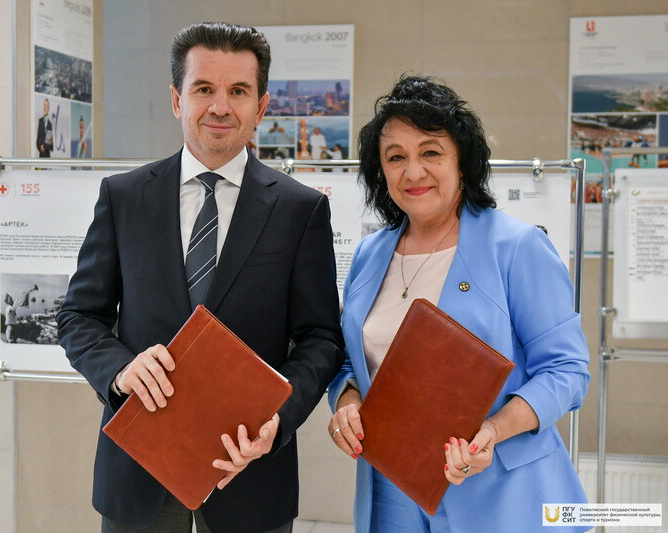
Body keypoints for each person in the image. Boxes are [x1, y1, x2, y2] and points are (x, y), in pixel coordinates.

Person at [57, 21, 344, 533]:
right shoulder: (124, 197)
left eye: (239, 91)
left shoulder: (299, 210)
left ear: (261, 106)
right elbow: (79, 316)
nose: (220, 107)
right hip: (139, 473)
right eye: (204, 89)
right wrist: (120, 370)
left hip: (250, 473)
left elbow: (320, 339)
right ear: (177, 99)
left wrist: (277, 418)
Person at [326, 75, 590, 532]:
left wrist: (494, 430)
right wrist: (346, 401)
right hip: (392, 489)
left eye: (431, 152)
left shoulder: (517, 247)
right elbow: (350, 359)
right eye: (396, 157)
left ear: (462, 162)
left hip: (499, 488)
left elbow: (567, 371)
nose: (413, 172)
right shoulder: (370, 254)